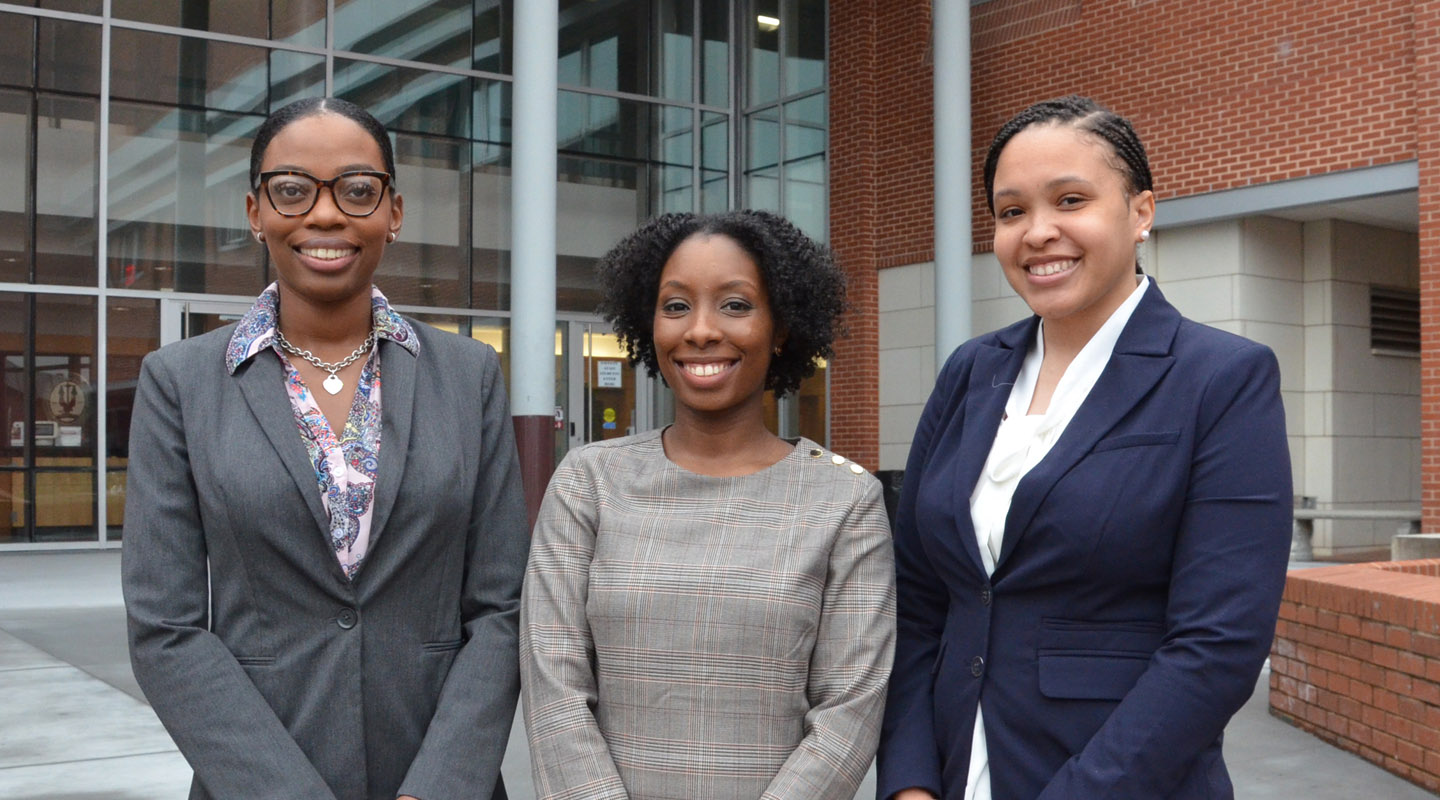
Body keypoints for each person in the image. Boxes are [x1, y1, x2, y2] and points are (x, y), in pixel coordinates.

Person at [876, 96, 1292, 800]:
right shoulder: (970, 371)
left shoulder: (1221, 378)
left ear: (1141, 212)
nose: (1038, 232)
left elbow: (1217, 646)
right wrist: (911, 781)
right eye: (1011, 213)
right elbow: (921, 603)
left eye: (1070, 200)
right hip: (954, 773)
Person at [122, 96, 528, 800]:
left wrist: (440, 785)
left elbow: (502, 608)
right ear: (255, 211)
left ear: (393, 212)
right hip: (254, 777)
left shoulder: (468, 377)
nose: (326, 213)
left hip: (436, 771)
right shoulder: (181, 382)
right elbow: (166, 627)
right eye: (291, 189)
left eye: (357, 189)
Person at [520, 209, 896, 799]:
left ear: (781, 328)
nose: (699, 330)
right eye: (675, 306)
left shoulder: (845, 499)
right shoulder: (588, 482)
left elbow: (849, 710)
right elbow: (553, 689)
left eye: (735, 305)